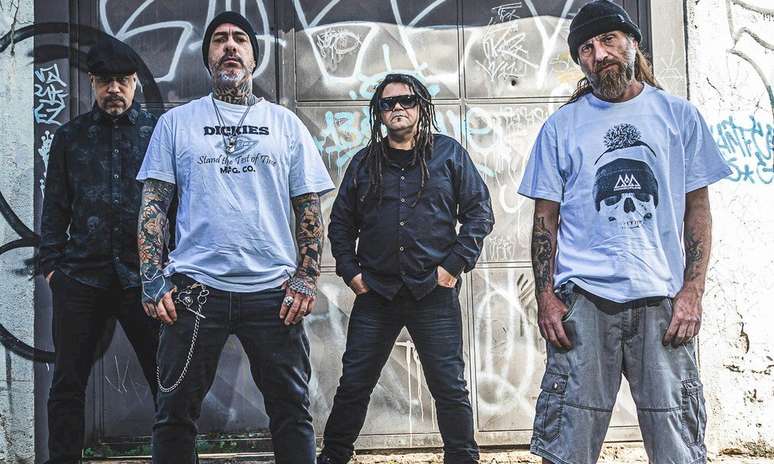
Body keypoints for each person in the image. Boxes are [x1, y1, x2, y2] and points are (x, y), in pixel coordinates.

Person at [517, 1, 732, 463]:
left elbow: (698, 210)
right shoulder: (561, 127)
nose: (599, 54)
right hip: (583, 304)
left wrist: (692, 292)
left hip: (663, 305)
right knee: (568, 447)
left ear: (633, 42)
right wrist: (546, 297)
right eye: (586, 49)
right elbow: (544, 220)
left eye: (608, 40)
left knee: (678, 447)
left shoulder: (679, 117)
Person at [135, 11, 334, 464]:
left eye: (240, 39)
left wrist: (306, 277)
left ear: (253, 57)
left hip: (272, 293)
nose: (230, 45)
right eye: (219, 39)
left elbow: (308, 207)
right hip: (194, 290)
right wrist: (151, 278)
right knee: (174, 414)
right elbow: (153, 205)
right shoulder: (177, 123)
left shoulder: (285, 124)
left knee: (291, 412)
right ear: (207, 57)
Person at [318, 73, 494, 464]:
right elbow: (341, 223)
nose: (398, 107)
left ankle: (462, 458)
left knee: (449, 388)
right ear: (379, 113)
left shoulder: (448, 155)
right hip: (376, 294)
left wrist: (452, 267)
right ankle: (333, 456)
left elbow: (480, 213)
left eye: (407, 100)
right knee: (354, 385)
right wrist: (352, 273)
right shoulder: (364, 162)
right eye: (388, 103)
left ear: (421, 106)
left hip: (433, 293)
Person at [39, 38, 159, 463]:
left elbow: (178, 204)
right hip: (80, 279)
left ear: (135, 82)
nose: (114, 90)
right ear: (91, 82)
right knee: (67, 385)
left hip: (143, 280)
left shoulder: (157, 134)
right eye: (105, 81)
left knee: (167, 382)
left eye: (122, 81)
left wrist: (170, 270)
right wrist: (52, 267)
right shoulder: (70, 137)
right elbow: (54, 207)